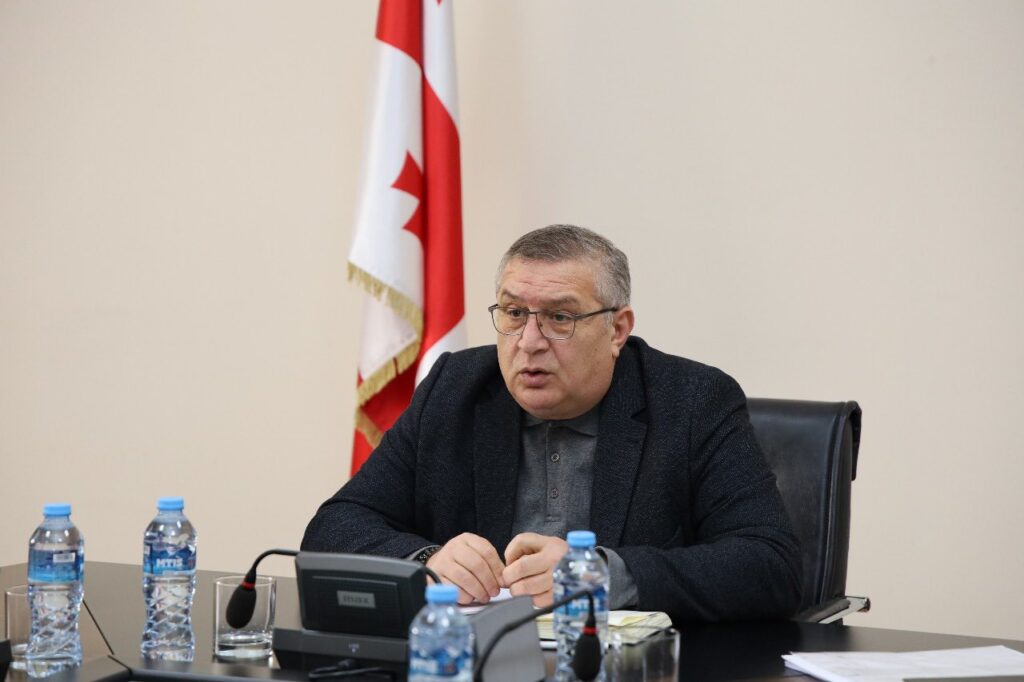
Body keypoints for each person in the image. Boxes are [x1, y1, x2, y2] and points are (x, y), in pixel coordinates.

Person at [302, 224, 802, 622]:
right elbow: (335, 525)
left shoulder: (693, 401)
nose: (529, 342)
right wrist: (426, 560)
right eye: (514, 313)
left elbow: (769, 565)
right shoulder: (455, 388)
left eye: (559, 318)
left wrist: (600, 576)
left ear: (617, 329)